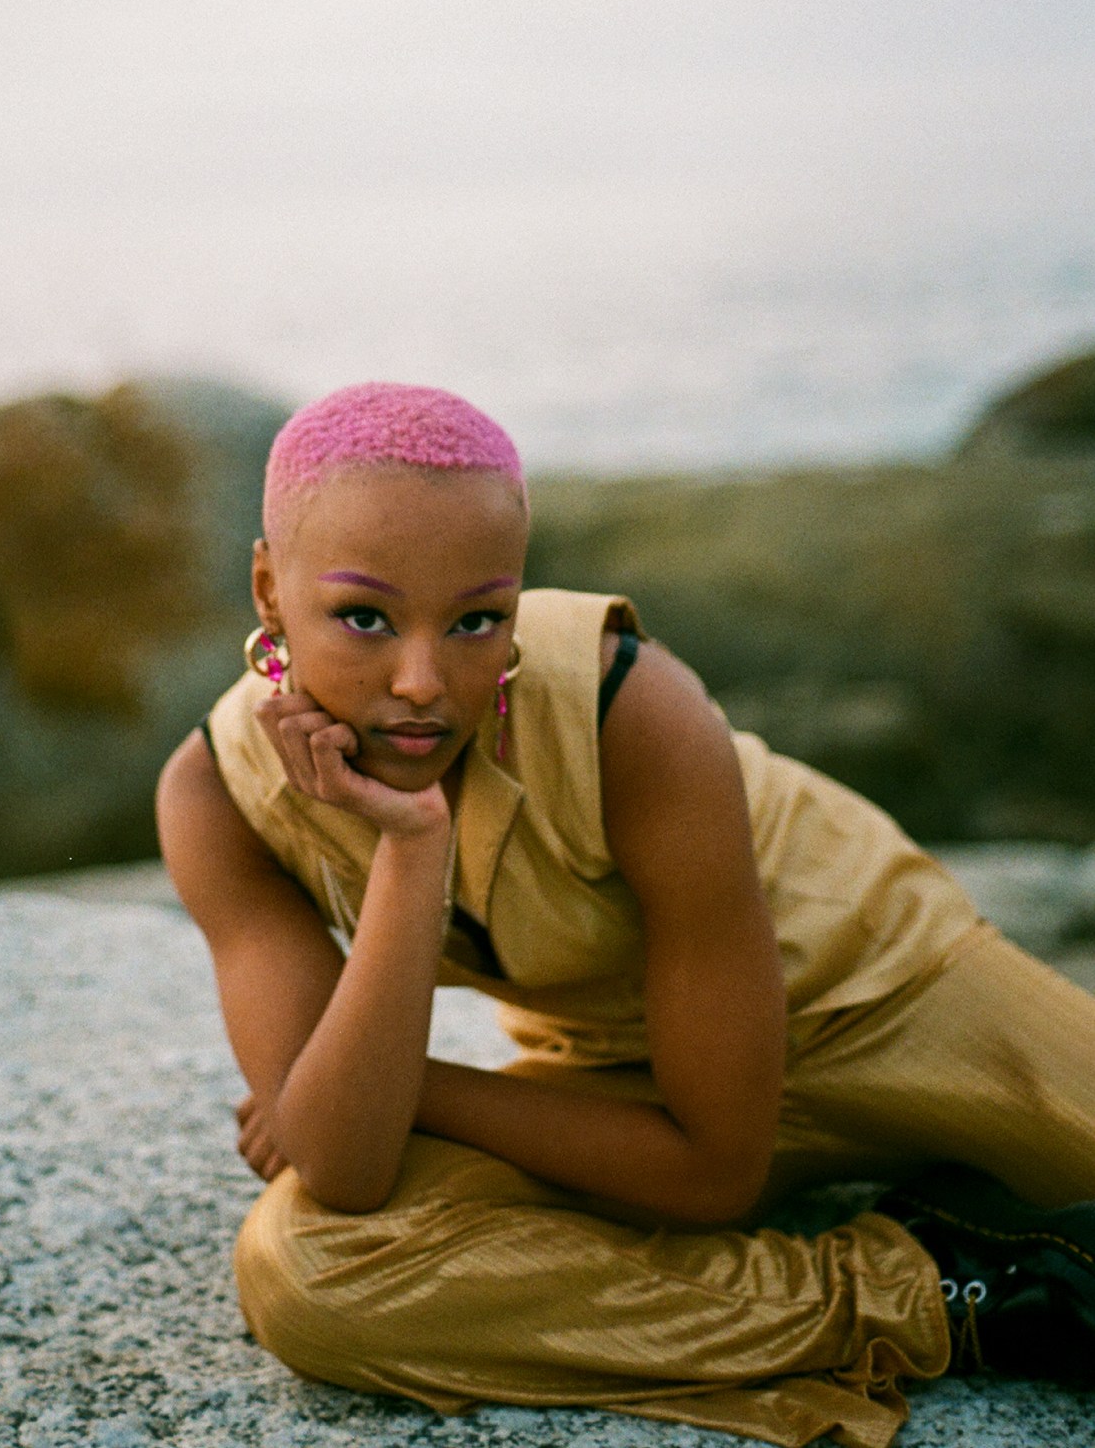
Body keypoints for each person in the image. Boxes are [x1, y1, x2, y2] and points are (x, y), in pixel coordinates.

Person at [157, 382, 1095, 1448]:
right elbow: (345, 1166)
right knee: (309, 1270)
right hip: (615, 1070)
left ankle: (961, 1166)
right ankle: (953, 1283)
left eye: (475, 619)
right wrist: (411, 849)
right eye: (363, 616)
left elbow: (709, 1171)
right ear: (268, 587)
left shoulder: (624, 703)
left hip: (892, 996)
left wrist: (392, 1086)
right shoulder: (214, 798)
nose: (421, 681)